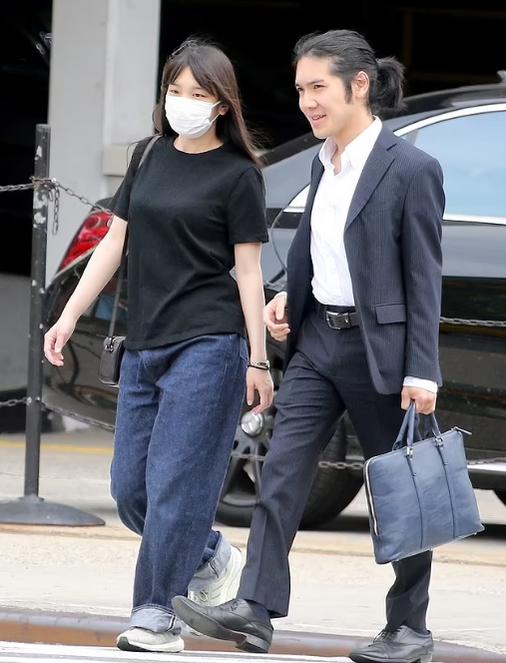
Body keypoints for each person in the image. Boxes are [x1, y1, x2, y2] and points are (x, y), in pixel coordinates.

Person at [172, 29, 444, 663]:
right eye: (300, 90)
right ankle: (256, 609)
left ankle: (409, 628)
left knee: (402, 492)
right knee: (283, 473)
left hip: (384, 353)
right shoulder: (324, 162)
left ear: (359, 85)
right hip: (320, 342)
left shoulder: (411, 170)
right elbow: (319, 247)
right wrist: (290, 297)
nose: (307, 102)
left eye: (318, 88)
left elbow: (424, 275)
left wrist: (423, 371)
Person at [44, 37, 273, 654]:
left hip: (211, 344)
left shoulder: (238, 175)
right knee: (131, 490)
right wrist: (68, 315)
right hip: (145, 344)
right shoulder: (148, 156)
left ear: (222, 104)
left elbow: (248, 272)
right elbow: (114, 244)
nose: (183, 102)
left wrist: (258, 358)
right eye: (175, 90)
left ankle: (157, 615)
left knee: (176, 486)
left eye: (198, 94)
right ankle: (210, 554)